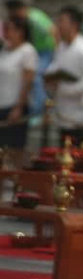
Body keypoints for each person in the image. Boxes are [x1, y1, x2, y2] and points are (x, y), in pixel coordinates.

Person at [46, 6, 83, 146]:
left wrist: (66, 89)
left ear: (74, 25)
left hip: (80, 117)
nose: (59, 25)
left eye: (62, 21)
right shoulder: (62, 48)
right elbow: (54, 69)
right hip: (64, 114)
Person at [5, 0, 55, 116]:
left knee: (36, 75)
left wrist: (57, 52)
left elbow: (53, 31)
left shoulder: (35, 18)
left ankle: (39, 109)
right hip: (37, 49)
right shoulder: (23, 20)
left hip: (45, 50)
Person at [0, 16, 38, 168]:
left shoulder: (27, 51)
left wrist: (19, 106)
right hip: (1, 103)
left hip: (15, 106)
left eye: (10, 29)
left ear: (20, 32)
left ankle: (17, 185)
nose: (7, 33)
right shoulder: (4, 50)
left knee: (15, 150)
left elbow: (27, 81)